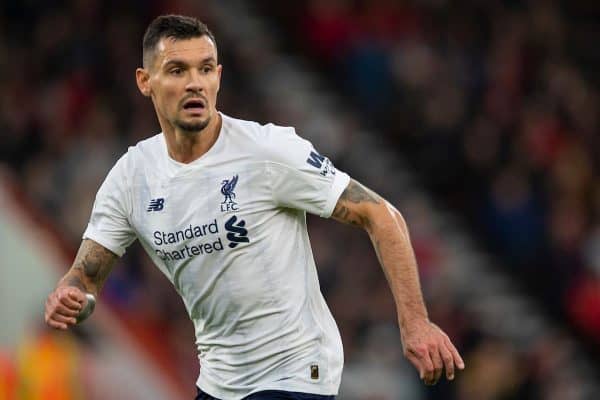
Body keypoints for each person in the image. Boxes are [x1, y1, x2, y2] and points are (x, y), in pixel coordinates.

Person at [44, 14, 464, 400]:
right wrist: (73, 296)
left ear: (219, 76)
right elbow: (86, 276)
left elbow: (380, 214)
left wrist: (415, 323)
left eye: (205, 69)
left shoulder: (267, 151)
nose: (195, 83)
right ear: (145, 80)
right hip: (220, 382)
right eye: (177, 70)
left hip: (297, 373)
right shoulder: (131, 177)